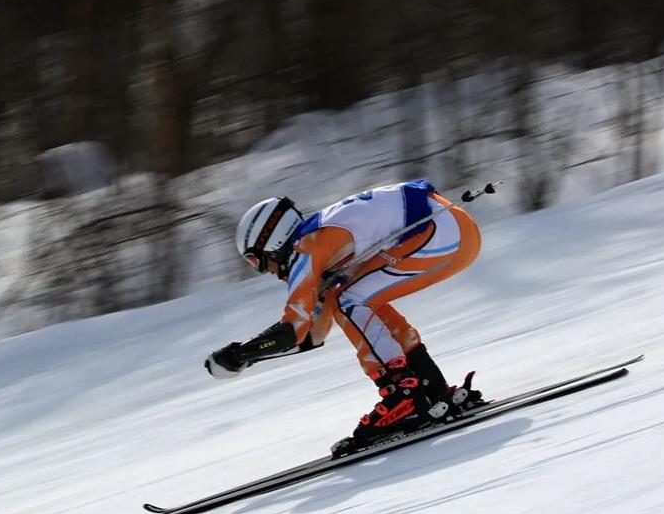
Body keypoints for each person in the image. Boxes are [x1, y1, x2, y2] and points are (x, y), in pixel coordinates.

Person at [205, 180, 484, 454]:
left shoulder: (306, 248)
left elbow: (293, 330)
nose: (267, 271)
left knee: (349, 299)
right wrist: (250, 356)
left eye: (256, 261)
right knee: (354, 298)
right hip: (454, 229)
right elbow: (313, 335)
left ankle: (403, 396)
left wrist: (239, 354)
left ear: (273, 242)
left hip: (441, 233)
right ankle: (430, 386)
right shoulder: (321, 241)